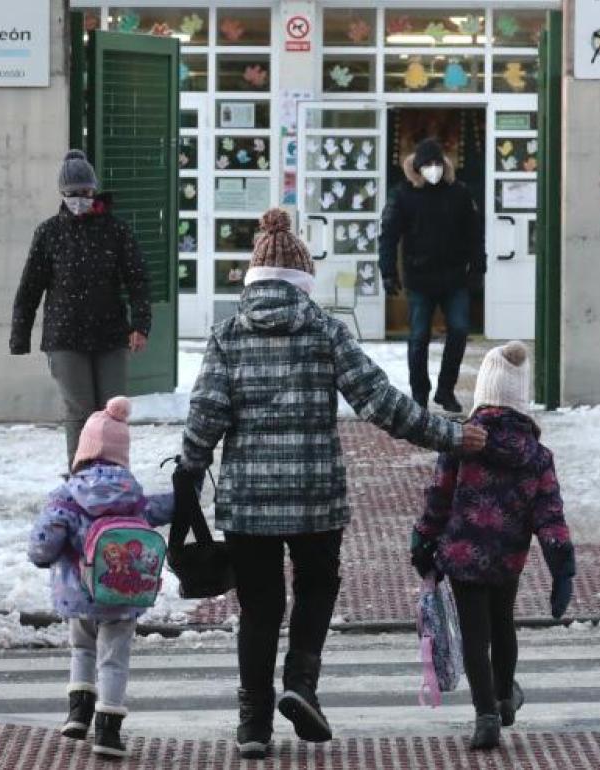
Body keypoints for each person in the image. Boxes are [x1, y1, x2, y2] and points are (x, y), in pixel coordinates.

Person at [181, 208, 488, 760]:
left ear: (252, 278)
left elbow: (205, 414)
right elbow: (380, 402)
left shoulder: (227, 334)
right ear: (303, 281)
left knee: (259, 605)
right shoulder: (325, 330)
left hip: (247, 503)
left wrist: (190, 464)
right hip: (315, 497)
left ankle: (253, 723)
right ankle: (301, 679)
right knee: (318, 585)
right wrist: (449, 436)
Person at [410, 342, 575, 751]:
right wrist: (562, 567)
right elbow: (549, 515)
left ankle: (485, 715)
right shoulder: (537, 456)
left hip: (462, 556)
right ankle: (504, 698)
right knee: (503, 625)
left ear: (484, 392)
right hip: (508, 558)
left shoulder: (461, 443)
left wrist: (424, 538)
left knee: (474, 635)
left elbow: (438, 497)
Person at [27, 396, 174, 760]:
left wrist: (42, 557)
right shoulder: (133, 496)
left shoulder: (67, 496)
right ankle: (108, 731)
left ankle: (78, 713)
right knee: (113, 660)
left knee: (81, 648)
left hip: (78, 596)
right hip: (121, 595)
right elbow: (160, 510)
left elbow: (43, 546)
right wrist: (183, 489)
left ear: (84, 450)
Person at [11, 149, 151, 472]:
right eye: (72, 194)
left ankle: (115, 475)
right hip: (64, 337)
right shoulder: (48, 233)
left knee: (112, 410)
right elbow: (30, 287)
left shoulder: (116, 231)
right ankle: (80, 477)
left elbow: (138, 280)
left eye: (85, 192)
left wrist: (140, 325)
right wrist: (20, 336)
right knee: (80, 410)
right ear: (62, 194)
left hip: (110, 333)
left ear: (95, 190)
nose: (80, 199)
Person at [380, 137, 486, 414]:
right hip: (420, 279)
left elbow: (475, 235)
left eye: (438, 163)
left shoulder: (459, 193)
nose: (433, 168)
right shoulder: (403, 195)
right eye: (427, 164)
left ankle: (445, 390)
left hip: (454, 278)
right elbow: (388, 235)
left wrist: (478, 268)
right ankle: (419, 394)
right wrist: (388, 271)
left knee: (460, 331)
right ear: (417, 167)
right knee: (418, 338)